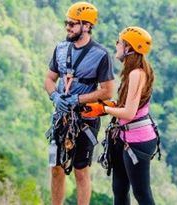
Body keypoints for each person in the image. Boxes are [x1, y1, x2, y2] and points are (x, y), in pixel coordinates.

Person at [44, 2, 114, 205]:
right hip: (61, 118)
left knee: (81, 171)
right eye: (67, 23)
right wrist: (55, 96)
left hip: (84, 120)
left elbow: (108, 90)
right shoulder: (61, 48)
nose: (67, 27)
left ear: (87, 26)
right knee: (55, 168)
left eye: (72, 24)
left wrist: (78, 99)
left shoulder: (100, 55)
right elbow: (49, 79)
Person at [82, 26, 159, 205]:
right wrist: (108, 106)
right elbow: (129, 106)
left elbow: (130, 113)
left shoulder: (136, 74)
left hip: (137, 140)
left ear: (129, 48)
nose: (116, 45)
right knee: (119, 188)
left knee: (141, 193)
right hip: (125, 138)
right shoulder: (134, 72)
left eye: (120, 42)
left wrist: (104, 109)